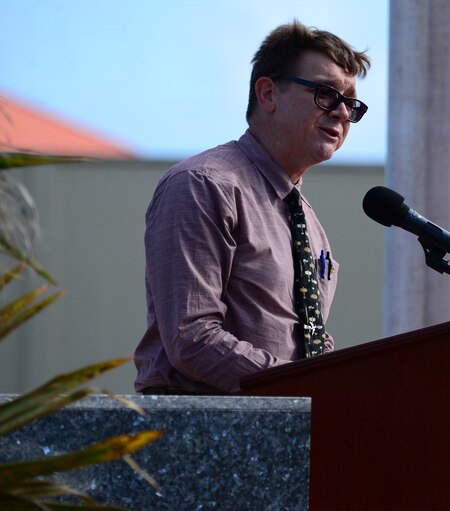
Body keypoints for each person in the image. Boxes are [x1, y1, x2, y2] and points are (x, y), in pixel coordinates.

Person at [134, 20, 371, 394]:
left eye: (351, 103)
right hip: (202, 433)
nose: (342, 112)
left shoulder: (306, 219)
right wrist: (305, 387)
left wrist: (333, 380)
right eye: (326, 93)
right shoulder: (203, 185)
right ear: (268, 94)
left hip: (288, 428)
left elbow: (307, 338)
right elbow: (192, 339)